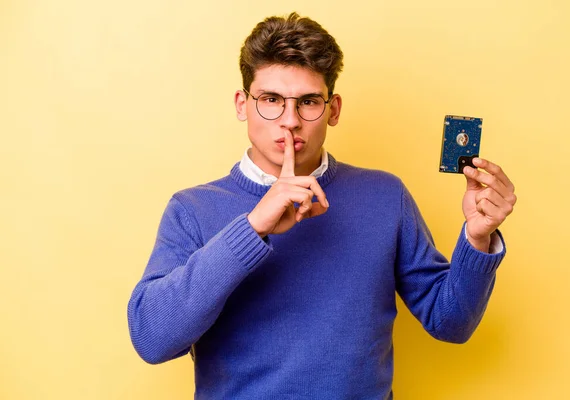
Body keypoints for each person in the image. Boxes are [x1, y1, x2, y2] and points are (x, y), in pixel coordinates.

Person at [127, 12, 517, 399]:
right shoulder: (192, 208)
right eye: (271, 100)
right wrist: (251, 228)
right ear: (242, 104)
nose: (290, 120)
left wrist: (477, 238)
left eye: (309, 101)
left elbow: (450, 322)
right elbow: (152, 338)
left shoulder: (385, 196)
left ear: (333, 109)